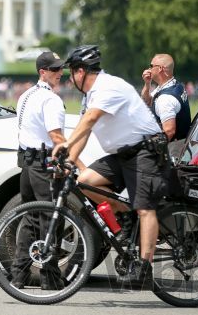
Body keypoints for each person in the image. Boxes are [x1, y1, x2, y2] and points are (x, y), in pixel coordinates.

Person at [52, 45, 169, 288]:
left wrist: (64, 145)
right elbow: (84, 133)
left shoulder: (108, 87)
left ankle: (144, 268)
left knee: (145, 208)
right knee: (84, 181)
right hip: (122, 154)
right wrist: (67, 161)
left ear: (81, 71)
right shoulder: (90, 95)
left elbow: (90, 120)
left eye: (71, 73)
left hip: (144, 151)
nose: (70, 79)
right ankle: (126, 216)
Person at [10, 51, 67, 290]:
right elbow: (56, 136)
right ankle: (50, 277)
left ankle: (19, 275)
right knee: (51, 219)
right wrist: (69, 160)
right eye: (54, 70)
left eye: (60, 69)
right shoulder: (50, 99)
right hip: (43, 163)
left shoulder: (26, 95)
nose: (60, 74)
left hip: (28, 161)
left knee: (31, 218)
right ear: (43, 72)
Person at [140, 54, 191, 156]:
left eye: (151, 66)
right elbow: (147, 101)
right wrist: (147, 84)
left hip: (171, 150)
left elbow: (169, 131)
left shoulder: (165, 99)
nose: (148, 69)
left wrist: (150, 150)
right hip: (179, 145)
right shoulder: (173, 84)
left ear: (160, 69)